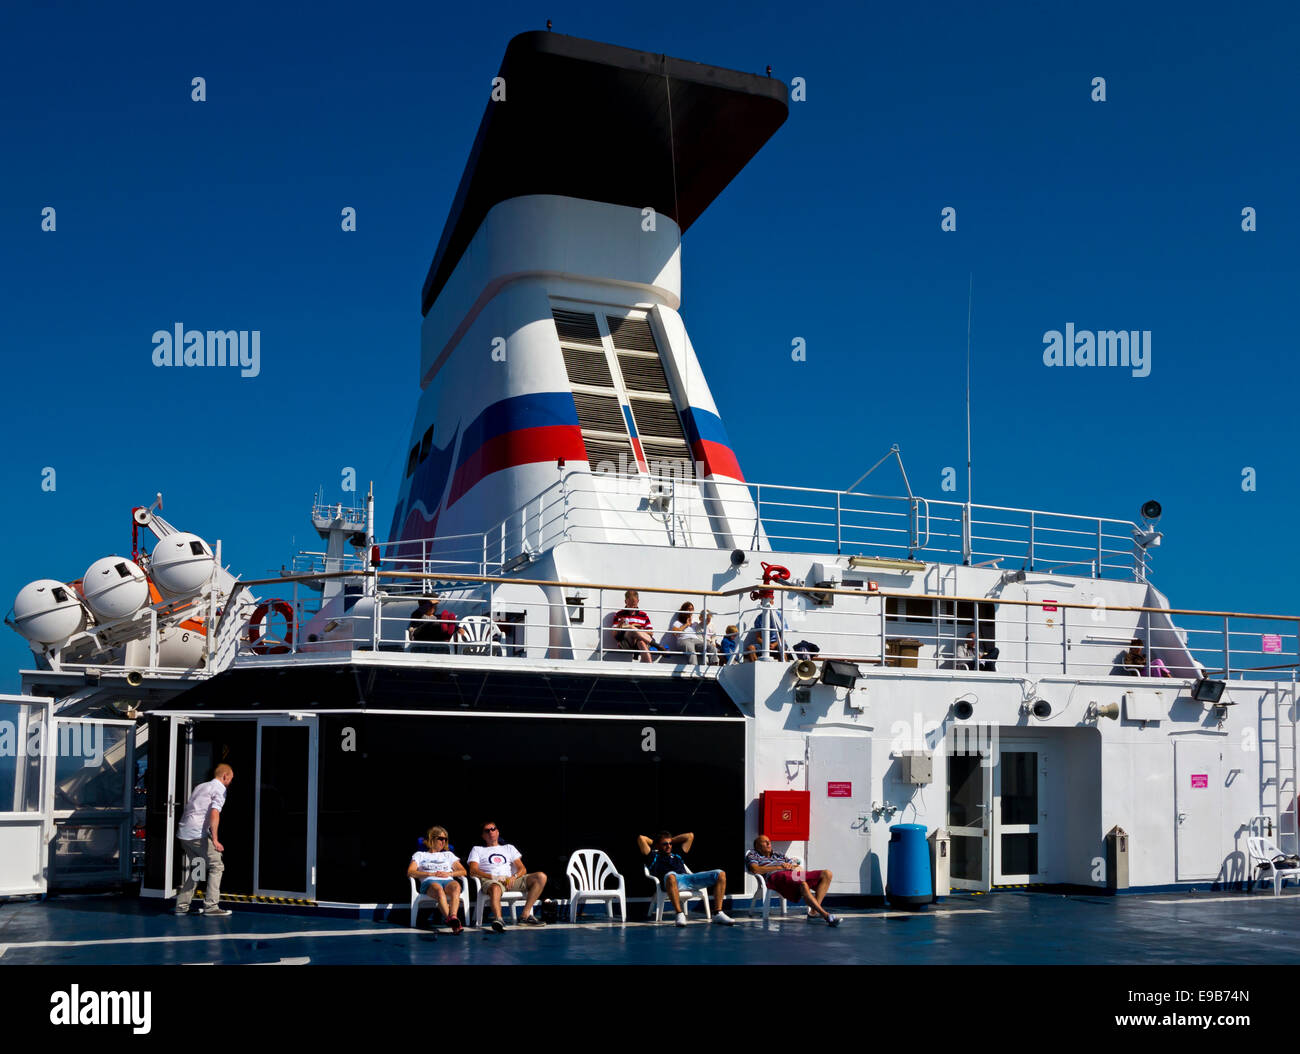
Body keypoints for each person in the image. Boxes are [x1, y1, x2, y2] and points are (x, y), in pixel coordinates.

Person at [637, 830, 735, 926]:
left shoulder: (677, 854)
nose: (669, 846)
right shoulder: (653, 856)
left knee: (720, 874)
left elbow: (690, 836)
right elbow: (641, 838)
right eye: (665, 844)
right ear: (657, 845)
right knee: (671, 876)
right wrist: (656, 843)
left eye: (670, 843)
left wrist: (670, 840)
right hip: (670, 881)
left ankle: (717, 913)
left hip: (687, 878)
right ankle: (679, 914)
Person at [175, 763, 233, 917]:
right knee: (217, 866)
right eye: (230, 779)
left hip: (184, 832)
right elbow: (215, 813)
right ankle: (211, 906)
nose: (230, 782)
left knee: (198, 868)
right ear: (225, 776)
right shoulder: (220, 789)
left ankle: (182, 906)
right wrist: (215, 839)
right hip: (196, 834)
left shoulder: (201, 786)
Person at [466, 821, 548, 931]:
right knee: (495, 888)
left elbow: (522, 869)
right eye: (487, 830)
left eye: (493, 829)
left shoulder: (509, 848)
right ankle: (499, 920)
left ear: (498, 832)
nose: (491, 832)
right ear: (483, 836)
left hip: (510, 880)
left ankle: (525, 915)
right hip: (491, 880)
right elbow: (473, 871)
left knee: (540, 877)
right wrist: (495, 877)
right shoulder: (478, 849)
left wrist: (513, 877)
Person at [745, 834, 838, 925]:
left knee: (826, 874)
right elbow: (755, 869)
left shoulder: (778, 854)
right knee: (803, 884)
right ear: (757, 846)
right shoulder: (753, 854)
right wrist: (779, 867)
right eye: (765, 842)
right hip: (777, 877)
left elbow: (795, 866)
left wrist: (790, 866)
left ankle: (813, 912)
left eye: (769, 841)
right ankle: (826, 915)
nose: (769, 843)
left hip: (792, 874)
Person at [407, 825, 465, 934]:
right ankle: (454, 922)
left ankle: (452, 917)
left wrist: (449, 873)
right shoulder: (420, 855)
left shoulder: (448, 855)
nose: (443, 842)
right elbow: (410, 872)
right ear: (432, 839)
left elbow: (463, 871)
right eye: (441, 838)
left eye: (445, 839)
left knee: (456, 886)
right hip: (430, 881)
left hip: (447, 880)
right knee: (438, 889)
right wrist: (429, 873)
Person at [613, 589, 663, 662]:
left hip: (639, 642)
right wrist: (620, 624)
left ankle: (648, 665)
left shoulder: (643, 615)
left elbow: (651, 632)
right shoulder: (619, 614)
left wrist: (640, 630)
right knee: (631, 628)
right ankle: (656, 645)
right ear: (625, 601)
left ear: (638, 601)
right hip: (626, 642)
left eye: (634, 605)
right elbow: (614, 635)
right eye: (630, 605)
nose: (632, 608)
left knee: (641, 642)